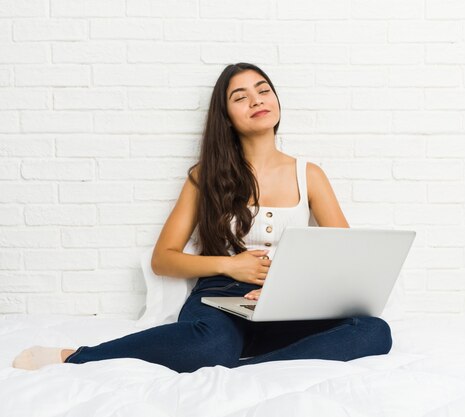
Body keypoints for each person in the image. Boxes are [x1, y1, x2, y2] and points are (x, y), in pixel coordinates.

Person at [12, 62, 392, 373]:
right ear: (226, 117)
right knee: (210, 343)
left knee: (374, 332)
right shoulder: (204, 176)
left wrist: (288, 290)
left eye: (263, 90)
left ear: (276, 100)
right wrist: (232, 267)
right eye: (240, 97)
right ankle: (74, 356)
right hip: (220, 298)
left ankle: (248, 370)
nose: (257, 100)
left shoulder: (309, 174)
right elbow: (164, 259)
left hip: (289, 303)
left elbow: (345, 260)